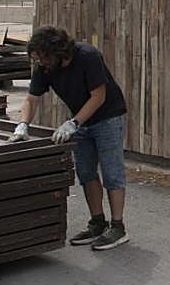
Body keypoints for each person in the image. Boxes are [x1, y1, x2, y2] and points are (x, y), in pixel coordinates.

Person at [10, 26, 130, 250]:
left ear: (54, 52)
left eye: (41, 58)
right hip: (80, 121)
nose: (39, 64)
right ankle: (97, 223)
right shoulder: (45, 67)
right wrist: (22, 124)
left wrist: (73, 123)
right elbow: (31, 99)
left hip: (108, 117)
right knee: (85, 172)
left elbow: (99, 96)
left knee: (112, 172)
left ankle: (117, 227)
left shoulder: (87, 56)